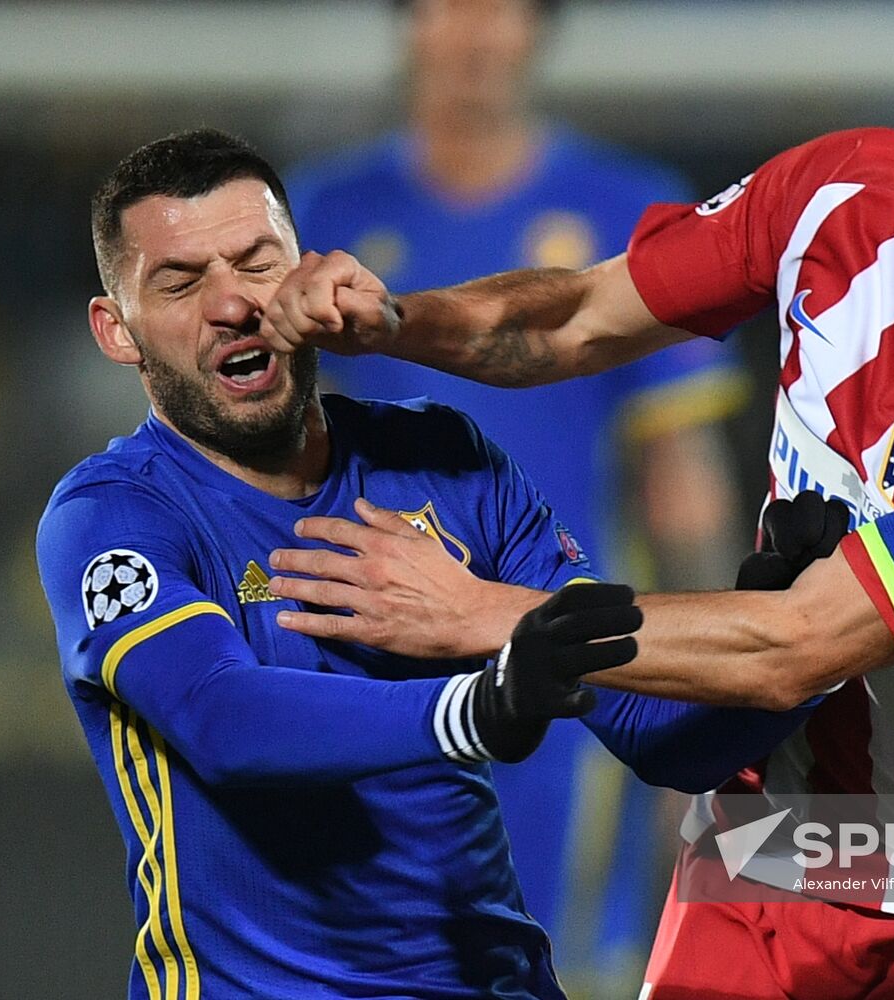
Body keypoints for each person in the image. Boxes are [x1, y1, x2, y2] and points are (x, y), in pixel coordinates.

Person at [260, 8, 894, 997]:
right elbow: (581, 317)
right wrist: (393, 320)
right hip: (770, 836)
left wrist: (484, 612)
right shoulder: (850, 193)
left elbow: (799, 647)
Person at [33, 128, 816, 1000]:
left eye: (257, 264)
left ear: (308, 273)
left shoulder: (443, 457)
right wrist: (473, 709)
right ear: (118, 330)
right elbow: (222, 719)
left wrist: (791, 626)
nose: (233, 304)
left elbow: (658, 734)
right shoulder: (113, 515)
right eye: (180, 282)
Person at [283, 1, 749, 978]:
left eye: (503, 7)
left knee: (547, 960)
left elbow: (682, 487)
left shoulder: (630, 210)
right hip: (349, 682)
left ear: (541, 26)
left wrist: (706, 708)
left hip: (557, 682)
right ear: (406, 21)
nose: (476, 32)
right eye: (451, 5)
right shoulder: (316, 219)